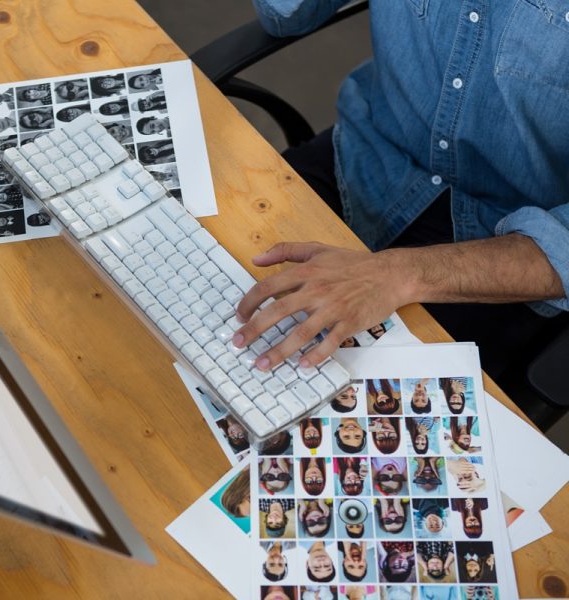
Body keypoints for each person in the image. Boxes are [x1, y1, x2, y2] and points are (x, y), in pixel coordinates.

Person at [232, 2, 569, 386]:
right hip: (368, 158)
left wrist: (399, 274)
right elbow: (284, 15)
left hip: (505, 250)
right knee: (190, 296)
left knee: (320, 415)